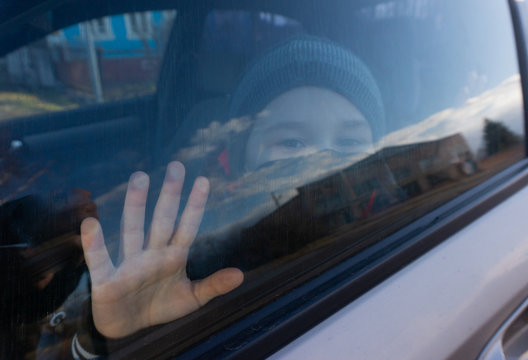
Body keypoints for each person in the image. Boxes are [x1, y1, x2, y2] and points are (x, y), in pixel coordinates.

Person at [74, 35, 385, 357]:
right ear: (240, 162)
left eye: (349, 143)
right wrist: (112, 341)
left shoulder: (402, 214)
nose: (323, 167)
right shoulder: (199, 255)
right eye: (292, 143)